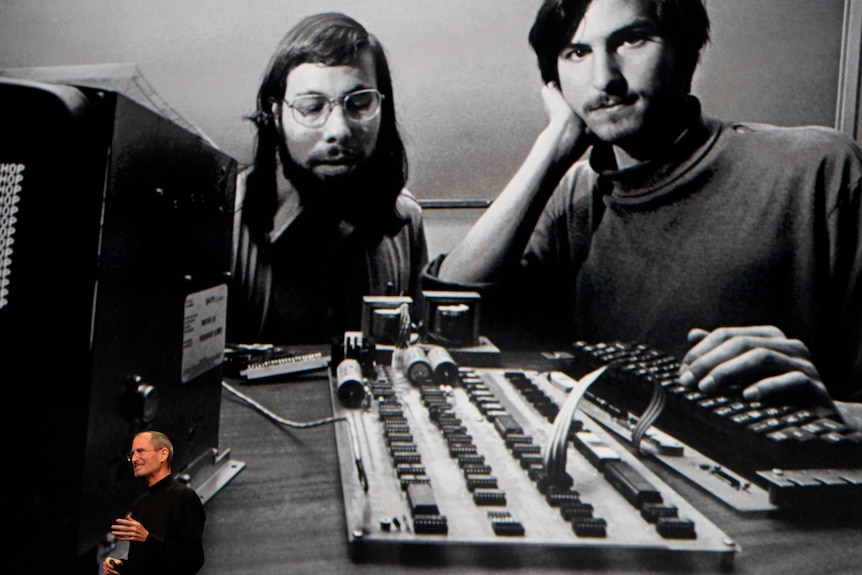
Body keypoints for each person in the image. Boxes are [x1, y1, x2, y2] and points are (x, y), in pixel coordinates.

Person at [425, 0, 861, 418]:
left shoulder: (820, 170)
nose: (604, 79)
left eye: (632, 40)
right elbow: (449, 310)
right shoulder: (576, 195)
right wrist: (554, 146)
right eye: (576, 52)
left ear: (686, 50)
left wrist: (832, 415)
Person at [228, 12, 429, 345]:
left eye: (360, 103)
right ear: (275, 115)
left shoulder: (406, 220)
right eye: (311, 107)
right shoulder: (221, 224)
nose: (339, 130)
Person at [103, 431, 206, 575]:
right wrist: (122, 567)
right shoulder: (141, 504)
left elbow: (192, 561)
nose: (134, 459)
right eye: (132, 454)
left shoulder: (184, 497)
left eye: (140, 451)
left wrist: (147, 538)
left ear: (163, 454)